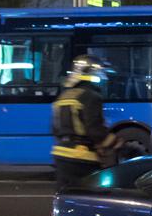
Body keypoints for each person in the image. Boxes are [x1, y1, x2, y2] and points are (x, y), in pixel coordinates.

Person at [51, 54, 119, 188]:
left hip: (60, 155)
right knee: (91, 199)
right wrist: (116, 143)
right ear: (92, 72)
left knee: (65, 197)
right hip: (81, 158)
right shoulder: (91, 96)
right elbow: (94, 130)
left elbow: (54, 129)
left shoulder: (63, 96)